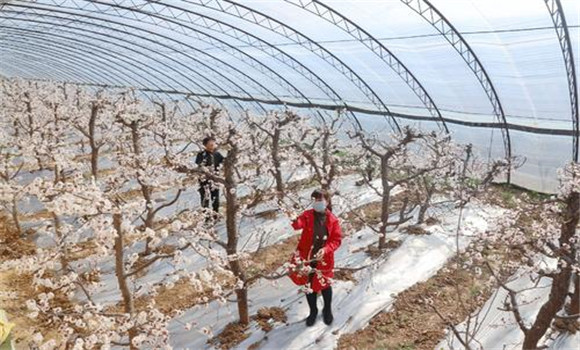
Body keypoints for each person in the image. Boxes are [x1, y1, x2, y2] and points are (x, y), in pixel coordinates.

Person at [288, 189, 342, 326]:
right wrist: (294, 218)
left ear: (327, 201)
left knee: (325, 284)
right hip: (306, 256)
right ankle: (313, 311)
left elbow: (336, 240)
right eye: (314, 200)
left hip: (324, 258)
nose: (317, 203)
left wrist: (325, 249)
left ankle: (327, 309)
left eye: (320, 200)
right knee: (308, 284)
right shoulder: (307, 215)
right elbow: (298, 225)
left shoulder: (333, 220)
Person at [195, 136, 225, 214]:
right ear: (205, 145)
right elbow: (200, 165)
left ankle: (215, 216)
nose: (212, 144)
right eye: (210, 143)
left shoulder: (217, 154)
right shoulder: (201, 154)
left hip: (215, 180)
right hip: (204, 181)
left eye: (213, 143)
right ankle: (206, 218)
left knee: (216, 200)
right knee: (205, 200)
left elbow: (224, 162)